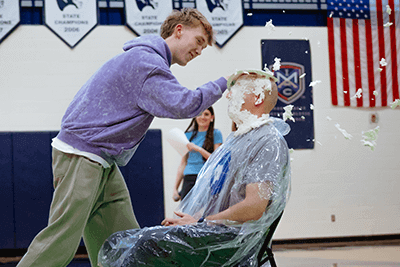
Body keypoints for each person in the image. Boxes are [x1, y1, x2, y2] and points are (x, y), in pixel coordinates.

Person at [17, 8, 229, 267]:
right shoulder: (146, 63)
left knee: (122, 242)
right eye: (198, 42)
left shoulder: (145, 59)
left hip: (102, 159)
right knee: (61, 239)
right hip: (83, 155)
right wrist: (226, 81)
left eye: (204, 48)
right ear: (179, 30)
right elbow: (183, 104)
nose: (199, 51)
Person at [98, 69, 292, 267]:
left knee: (145, 246)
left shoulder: (268, 141)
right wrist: (197, 218)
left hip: (236, 241)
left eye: (237, 89)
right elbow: (226, 200)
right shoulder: (240, 140)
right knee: (118, 242)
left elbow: (254, 207)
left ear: (258, 97)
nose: (228, 94)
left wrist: (203, 223)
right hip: (220, 231)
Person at [173, 106, 223, 202]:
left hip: (206, 178)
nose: (202, 117)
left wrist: (198, 149)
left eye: (206, 114)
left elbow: (216, 159)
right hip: (188, 178)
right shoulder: (187, 135)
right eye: (199, 114)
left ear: (212, 117)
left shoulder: (216, 134)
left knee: (203, 213)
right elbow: (183, 163)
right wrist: (175, 188)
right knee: (185, 213)